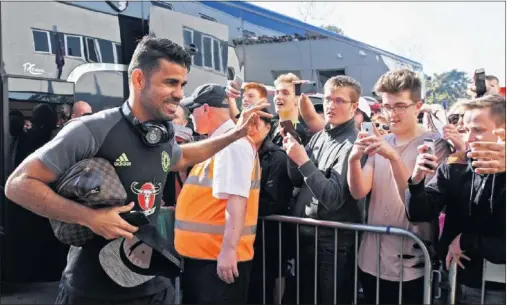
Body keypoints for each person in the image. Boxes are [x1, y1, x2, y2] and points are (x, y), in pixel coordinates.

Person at [4, 35, 269, 305]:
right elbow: (19, 184)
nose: (179, 93)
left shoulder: (161, 135)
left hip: (152, 288)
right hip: (92, 292)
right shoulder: (91, 130)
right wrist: (89, 217)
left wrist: (234, 135)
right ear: (139, 79)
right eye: (170, 83)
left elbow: (180, 157)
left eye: (182, 84)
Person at [347, 69, 451, 304]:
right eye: (386, 106)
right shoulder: (381, 141)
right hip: (370, 259)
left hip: (411, 263)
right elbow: (358, 191)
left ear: (418, 106)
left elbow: (417, 205)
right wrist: (353, 160)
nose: (392, 114)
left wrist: (394, 158)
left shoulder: (436, 146)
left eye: (400, 106)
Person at [406, 94, 506, 304]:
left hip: (495, 290)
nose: (468, 138)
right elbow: (419, 214)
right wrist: (416, 180)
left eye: (477, 130)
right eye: (466, 129)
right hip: (452, 283)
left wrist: (466, 240)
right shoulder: (454, 169)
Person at [175, 83, 262, 304]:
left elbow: (236, 201)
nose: (190, 117)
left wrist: (228, 251)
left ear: (205, 109)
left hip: (216, 261)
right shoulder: (223, 143)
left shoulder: (232, 145)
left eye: (192, 110)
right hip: (207, 258)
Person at [282, 75, 365, 305]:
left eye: (339, 100)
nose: (331, 105)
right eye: (328, 99)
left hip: (334, 245)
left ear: (354, 106)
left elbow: (334, 198)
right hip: (308, 238)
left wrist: (302, 160)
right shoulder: (319, 137)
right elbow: (297, 180)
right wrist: (293, 152)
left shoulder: (354, 143)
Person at [246, 109, 293, 304]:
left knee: (262, 289)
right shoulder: (240, 152)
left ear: (268, 127)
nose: (251, 129)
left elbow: (275, 201)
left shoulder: (277, 157)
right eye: (249, 123)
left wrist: (241, 206)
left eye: (257, 124)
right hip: (245, 236)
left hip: (267, 238)